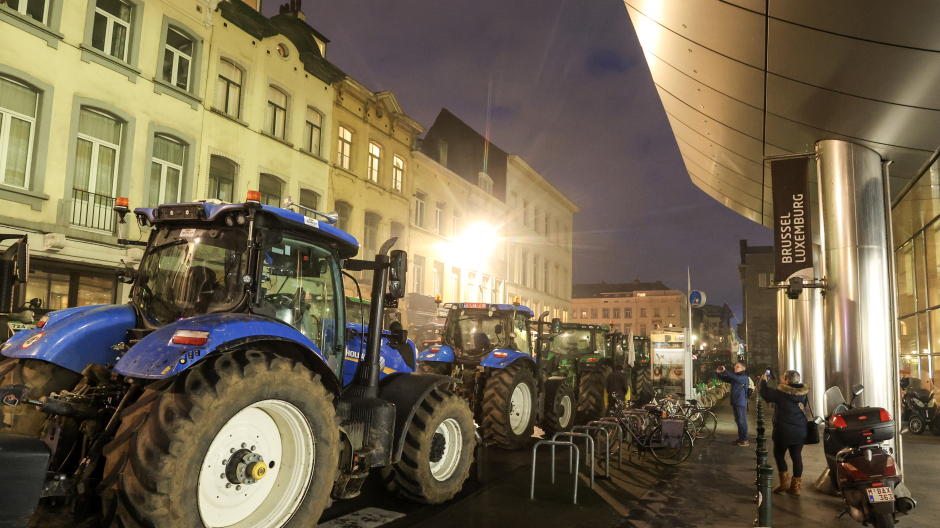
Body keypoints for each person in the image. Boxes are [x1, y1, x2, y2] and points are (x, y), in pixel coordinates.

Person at [759, 369, 810, 496]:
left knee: (779, 454)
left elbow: (765, 394)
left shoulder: (781, 393)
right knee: (797, 456)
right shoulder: (803, 393)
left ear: (786, 380)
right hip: (800, 429)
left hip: (783, 430)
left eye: (784, 378)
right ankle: (796, 487)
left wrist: (764, 381)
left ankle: (784, 483)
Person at [716, 363, 750, 446]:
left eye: (737, 366)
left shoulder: (743, 377)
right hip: (735, 401)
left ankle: (745, 439)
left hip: (741, 402)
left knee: (742, 421)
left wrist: (725, 371)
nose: (735, 367)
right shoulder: (736, 377)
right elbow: (726, 379)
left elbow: (735, 378)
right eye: (735, 366)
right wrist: (718, 373)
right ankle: (741, 438)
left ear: (742, 369)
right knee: (738, 421)